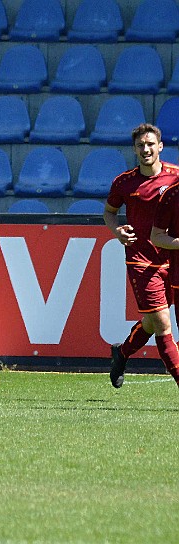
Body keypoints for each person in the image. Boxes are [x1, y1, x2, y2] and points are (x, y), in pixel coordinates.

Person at [105, 123, 179, 389]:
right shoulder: (124, 182)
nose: (145, 149)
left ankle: (122, 353)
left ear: (160, 146)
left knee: (150, 321)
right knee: (161, 322)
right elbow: (109, 212)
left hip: (171, 260)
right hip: (141, 260)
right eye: (140, 145)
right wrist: (117, 231)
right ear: (134, 149)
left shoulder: (176, 177)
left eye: (150, 144)